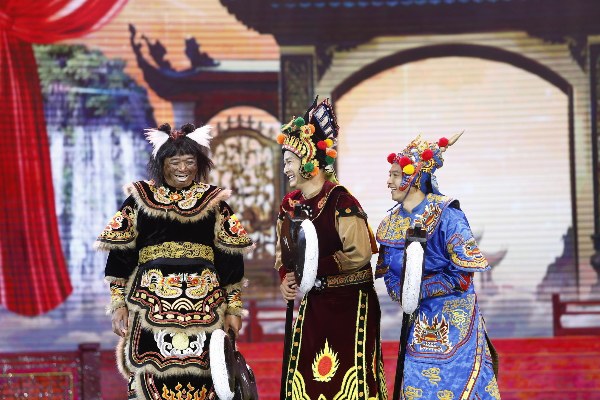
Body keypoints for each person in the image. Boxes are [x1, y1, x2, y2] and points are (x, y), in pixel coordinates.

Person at [95, 122, 253, 399]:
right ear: (161, 164)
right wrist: (118, 304)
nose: (183, 168)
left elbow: (231, 262)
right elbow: (120, 258)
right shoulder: (139, 199)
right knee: (150, 375)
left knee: (208, 376)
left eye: (189, 161)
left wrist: (234, 309)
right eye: (175, 162)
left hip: (206, 307)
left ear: (199, 163)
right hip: (149, 305)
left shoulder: (214, 202)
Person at [276, 98, 388, 400]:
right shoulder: (290, 205)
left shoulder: (341, 201)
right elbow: (284, 253)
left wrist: (310, 272)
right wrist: (287, 278)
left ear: (308, 159)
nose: (285, 169)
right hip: (314, 304)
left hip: (350, 303)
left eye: (289, 162)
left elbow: (359, 254)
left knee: (350, 382)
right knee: (308, 382)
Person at [375, 134, 501, 399]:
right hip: (417, 319)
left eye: (395, 175)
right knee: (415, 386)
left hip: (454, 317)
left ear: (414, 178)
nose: (389, 182)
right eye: (390, 175)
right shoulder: (390, 223)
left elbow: (463, 274)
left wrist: (417, 291)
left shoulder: (447, 214)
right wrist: (404, 295)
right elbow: (387, 271)